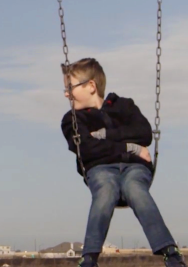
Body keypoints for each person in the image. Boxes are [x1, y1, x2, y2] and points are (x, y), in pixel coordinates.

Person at [60, 58, 186, 267]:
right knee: (106, 189)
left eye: (69, 87)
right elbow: (87, 149)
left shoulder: (124, 106)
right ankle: (89, 257)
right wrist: (131, 147)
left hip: (135, 168)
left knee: (135, 189)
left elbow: (144, 133)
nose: (66, 93)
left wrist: (105, 135)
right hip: (100, 169)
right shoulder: (72, 120)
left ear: (91, 86)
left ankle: (170, 253)